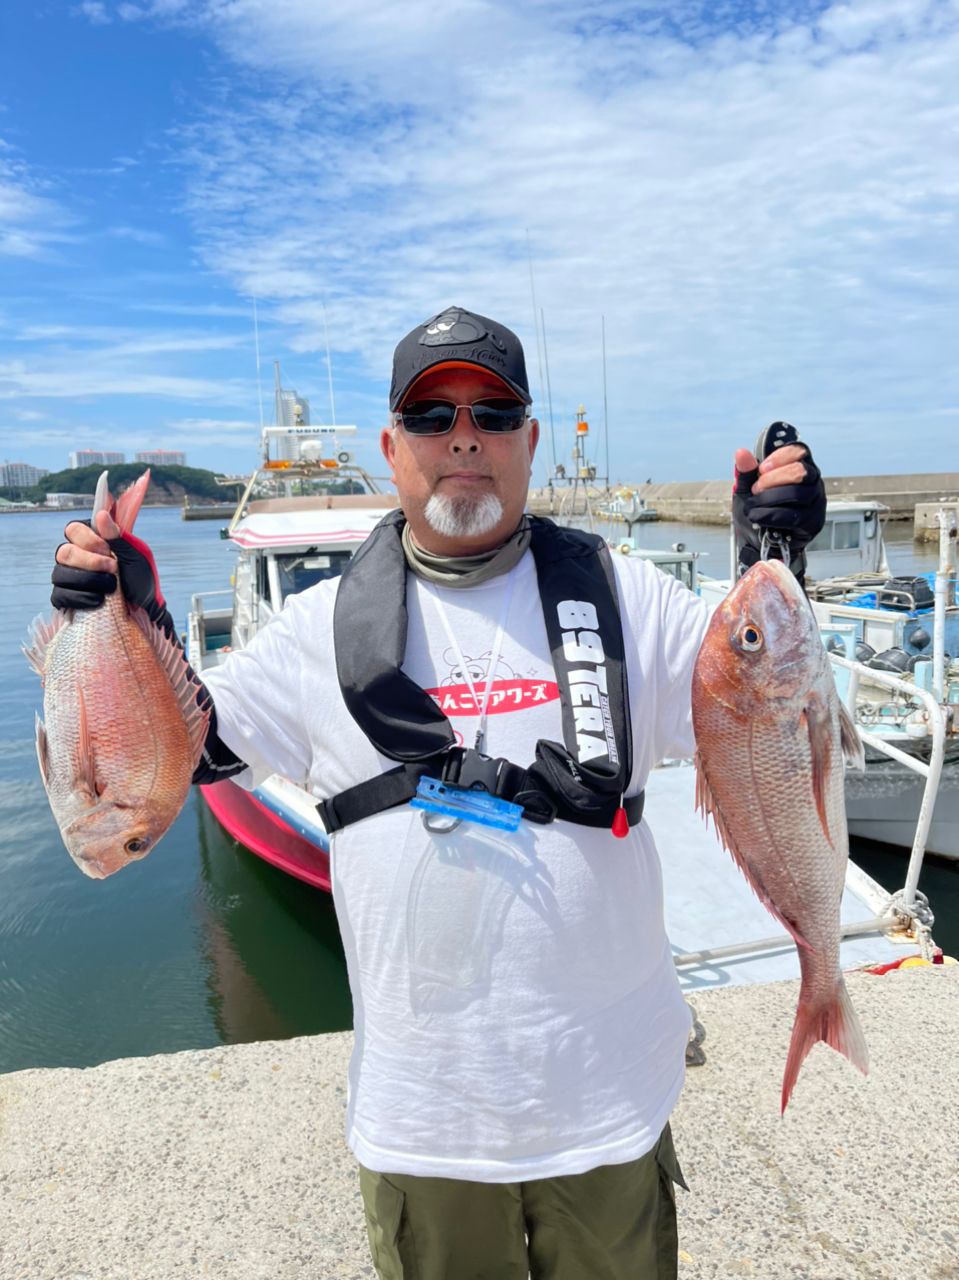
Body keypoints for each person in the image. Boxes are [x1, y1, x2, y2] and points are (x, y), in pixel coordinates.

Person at [51, 306, 826, 1280]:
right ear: (391, 445)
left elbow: (762, 704)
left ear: (529, 441)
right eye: (432, 414)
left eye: (493, 411)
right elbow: (191, 753)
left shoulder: (625, 595)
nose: (464, 433)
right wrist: (130, 617)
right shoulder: (313, 626)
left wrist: (774, 557)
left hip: (611, 1105)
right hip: (424, 1128)